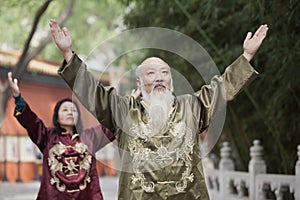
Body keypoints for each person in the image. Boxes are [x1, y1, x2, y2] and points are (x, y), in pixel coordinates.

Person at [49, 19, 268, 199]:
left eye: (164, 73)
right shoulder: (123, 111)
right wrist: (68, 54)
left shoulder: (191, 106)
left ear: (171, 81)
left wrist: (246, 56)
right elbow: (93, 93)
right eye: (151, 73)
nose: (159, 78)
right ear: (139, 83)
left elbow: (222, 89)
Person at [7, 72, 115, 200]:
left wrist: (130, 105)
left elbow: (113, 125)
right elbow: (31, 121)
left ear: (78, 117)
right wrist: (18, 97)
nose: (70, 112)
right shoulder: (46, 136)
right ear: (57, 117)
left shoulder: (91, 137)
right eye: (65, 110)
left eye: (73, 110)